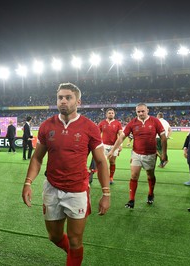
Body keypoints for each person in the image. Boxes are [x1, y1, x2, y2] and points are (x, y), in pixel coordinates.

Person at [22, 82, 110, 266]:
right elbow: (37, 158)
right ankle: (74, 255)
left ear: (78, 101)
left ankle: (73, 258)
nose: (63, 101)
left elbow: (101, 161)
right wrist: (28, 182)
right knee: (54, 236)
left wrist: (105, 193)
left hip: (77, 191)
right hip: (52, 188)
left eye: (68, 97)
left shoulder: (89, 127)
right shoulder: (47, 125)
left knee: (75, 239)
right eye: (60, 97)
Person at [108, 103, 167, 209]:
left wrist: (164, 153)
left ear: (147, 110)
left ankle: (150, 193)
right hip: (136, 153)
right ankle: (131, 200)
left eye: (142, 111)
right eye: (138, 111)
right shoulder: (133, 123)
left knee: (150, 175)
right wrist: (113, 150)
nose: (140, 113)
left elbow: (163, 138)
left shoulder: (155, 121)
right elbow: (122, 137)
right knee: (134, 176)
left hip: (150, 154)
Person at [97, 108, 123, 184]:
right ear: (106, 114)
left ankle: (111, 177)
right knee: (103, 162)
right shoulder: (102, 123)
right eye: (109, 113)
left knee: (112, 161)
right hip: (104, 145)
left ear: (114, 114)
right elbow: (97, 134)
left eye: (112, 113)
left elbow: (121, 134)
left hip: (114, 146)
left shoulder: (117, 123)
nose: (111, 114)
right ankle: (104, 177)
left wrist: (120, 145)